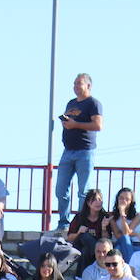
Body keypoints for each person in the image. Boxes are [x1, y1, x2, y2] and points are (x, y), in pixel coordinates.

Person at [53, 73, 103, 228]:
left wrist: (75, 125)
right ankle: (64, 222)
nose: (75, 86)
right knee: (61, 189)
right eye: (74, 83)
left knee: (83, 191)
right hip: (68, 150)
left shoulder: (93, 103)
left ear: (88, 85)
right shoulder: (71, 103)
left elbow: (98, 125)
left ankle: (81, 222)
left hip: (85, 151)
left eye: (79, 83)